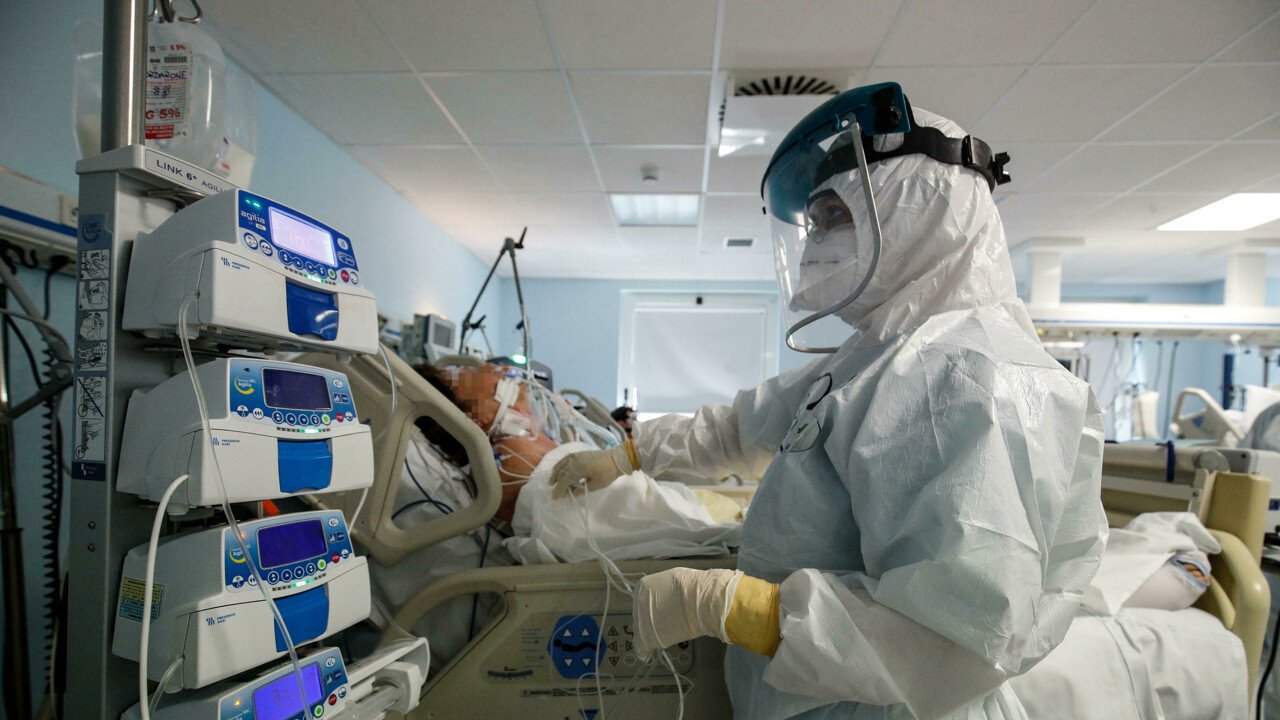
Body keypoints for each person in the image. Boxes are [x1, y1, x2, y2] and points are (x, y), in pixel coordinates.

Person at [548, 85, 1107, 720]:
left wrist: (739, 609)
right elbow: (742, 427)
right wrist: (631, 455)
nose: (817, 239)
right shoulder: (877, 357)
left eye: (835, 215)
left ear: (919, 206)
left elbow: (956, 639)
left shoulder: (972, 378)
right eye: (814, 222)